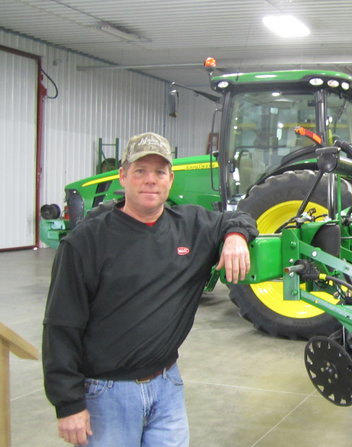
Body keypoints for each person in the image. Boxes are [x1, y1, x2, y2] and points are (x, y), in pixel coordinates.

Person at [42, 132, 258, 446]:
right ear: (123, 176)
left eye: (159, 172)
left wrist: (236, 235)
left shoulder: (190, 225)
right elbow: (61, 325)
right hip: (107, 393)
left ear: (171, 179)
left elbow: (238, 216)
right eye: (140, 171)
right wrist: (68, 404)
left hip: (167, 386)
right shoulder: (86, 241)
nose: (150, 180)